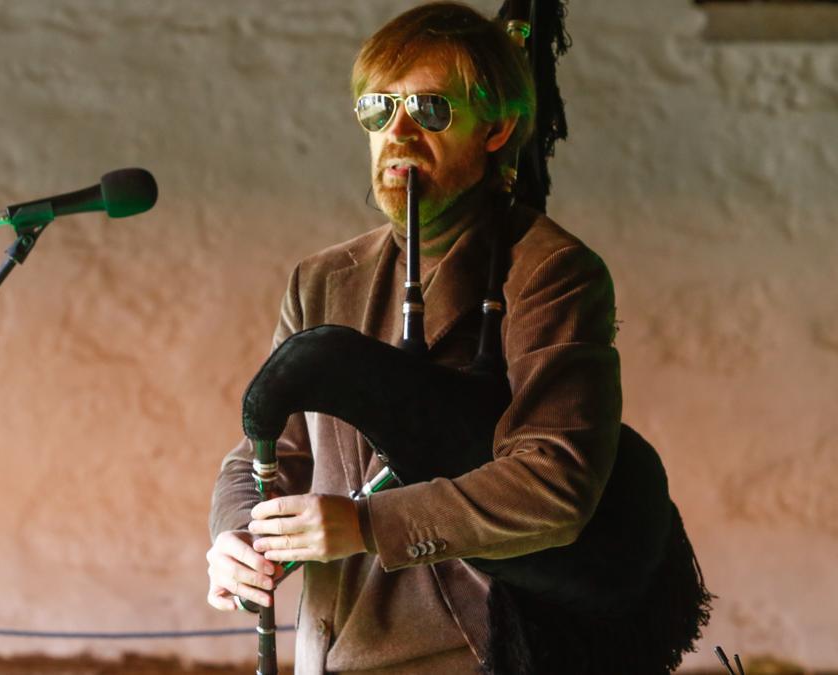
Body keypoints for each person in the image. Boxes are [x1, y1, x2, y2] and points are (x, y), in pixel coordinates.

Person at [207, 3, 623, 673]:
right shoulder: (321, 279)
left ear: (498, 129)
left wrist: (368, 524)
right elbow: (270, 454)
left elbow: (557, 480)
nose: (396, 132)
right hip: (331, 648)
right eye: (378, 109)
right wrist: (236, 535)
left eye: (430, 110)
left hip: (474, 652)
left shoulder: (548, 271)